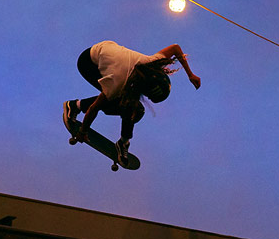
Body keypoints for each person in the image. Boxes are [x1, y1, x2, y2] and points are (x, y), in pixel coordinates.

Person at [63, 39, 201, 160]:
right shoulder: (118, 81)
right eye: (148, 95)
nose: (145, 97)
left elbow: (176, 48)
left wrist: (190, 74)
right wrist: (83, 131)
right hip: (88, 62)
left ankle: (123, 142)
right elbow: (95, 108)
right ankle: (75, 106)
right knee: (130, 106)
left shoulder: (151, 63)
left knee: (130, 104)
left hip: (107, 53)